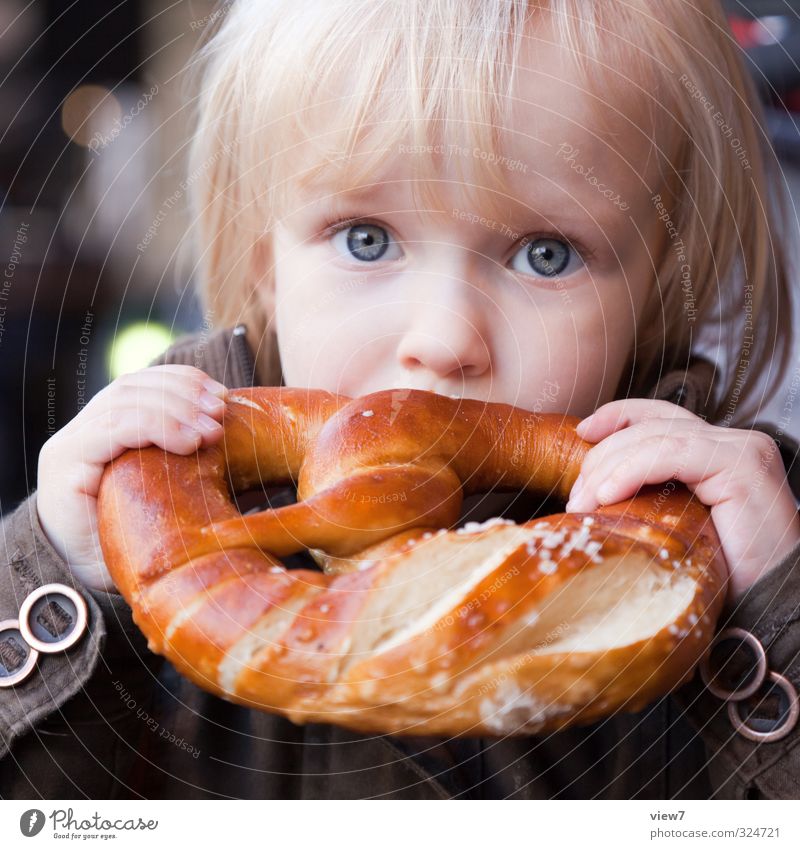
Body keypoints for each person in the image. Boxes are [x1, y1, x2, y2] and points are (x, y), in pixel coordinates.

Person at [2, 0, 799, 799]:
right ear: (265, 266)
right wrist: (54, 581)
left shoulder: (735, 530)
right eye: (366, 238)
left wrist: (776, 612)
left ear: (658, 294)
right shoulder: (140, 523)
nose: (445, 335)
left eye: (546, 254)